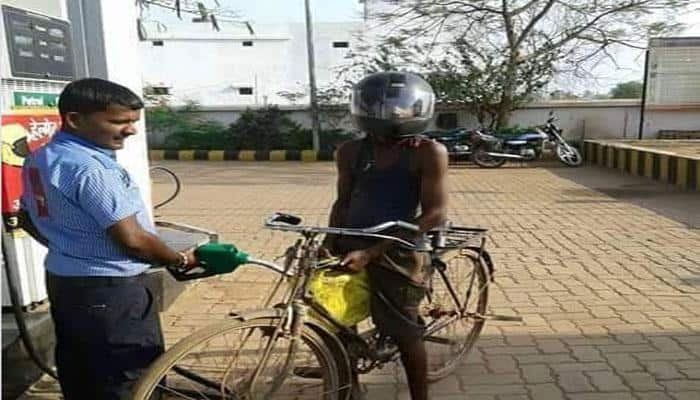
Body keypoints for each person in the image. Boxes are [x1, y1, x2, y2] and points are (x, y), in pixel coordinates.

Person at [19, 78, 199, 399]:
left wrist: (70, 247)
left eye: (132, 122)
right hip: (112, 293)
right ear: (74, 119)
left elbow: (28, 219)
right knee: (131, 380)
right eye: (118, 121)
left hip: (66, 284)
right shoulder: (92, 169)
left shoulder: (39, 159)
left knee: (82, 374)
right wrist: (180, 259)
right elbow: (133, 240)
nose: (129, 130)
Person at [323, 71, 449, 400]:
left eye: (396, 110)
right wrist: (329, 241)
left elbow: (435, 213)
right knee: (336, 316)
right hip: (354, 241)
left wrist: (375, 251)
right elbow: (343, 200)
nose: (389, 116)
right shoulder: (350, 151)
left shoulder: (428, 152)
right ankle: (348, 386)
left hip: (401, 248)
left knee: (405, 330)